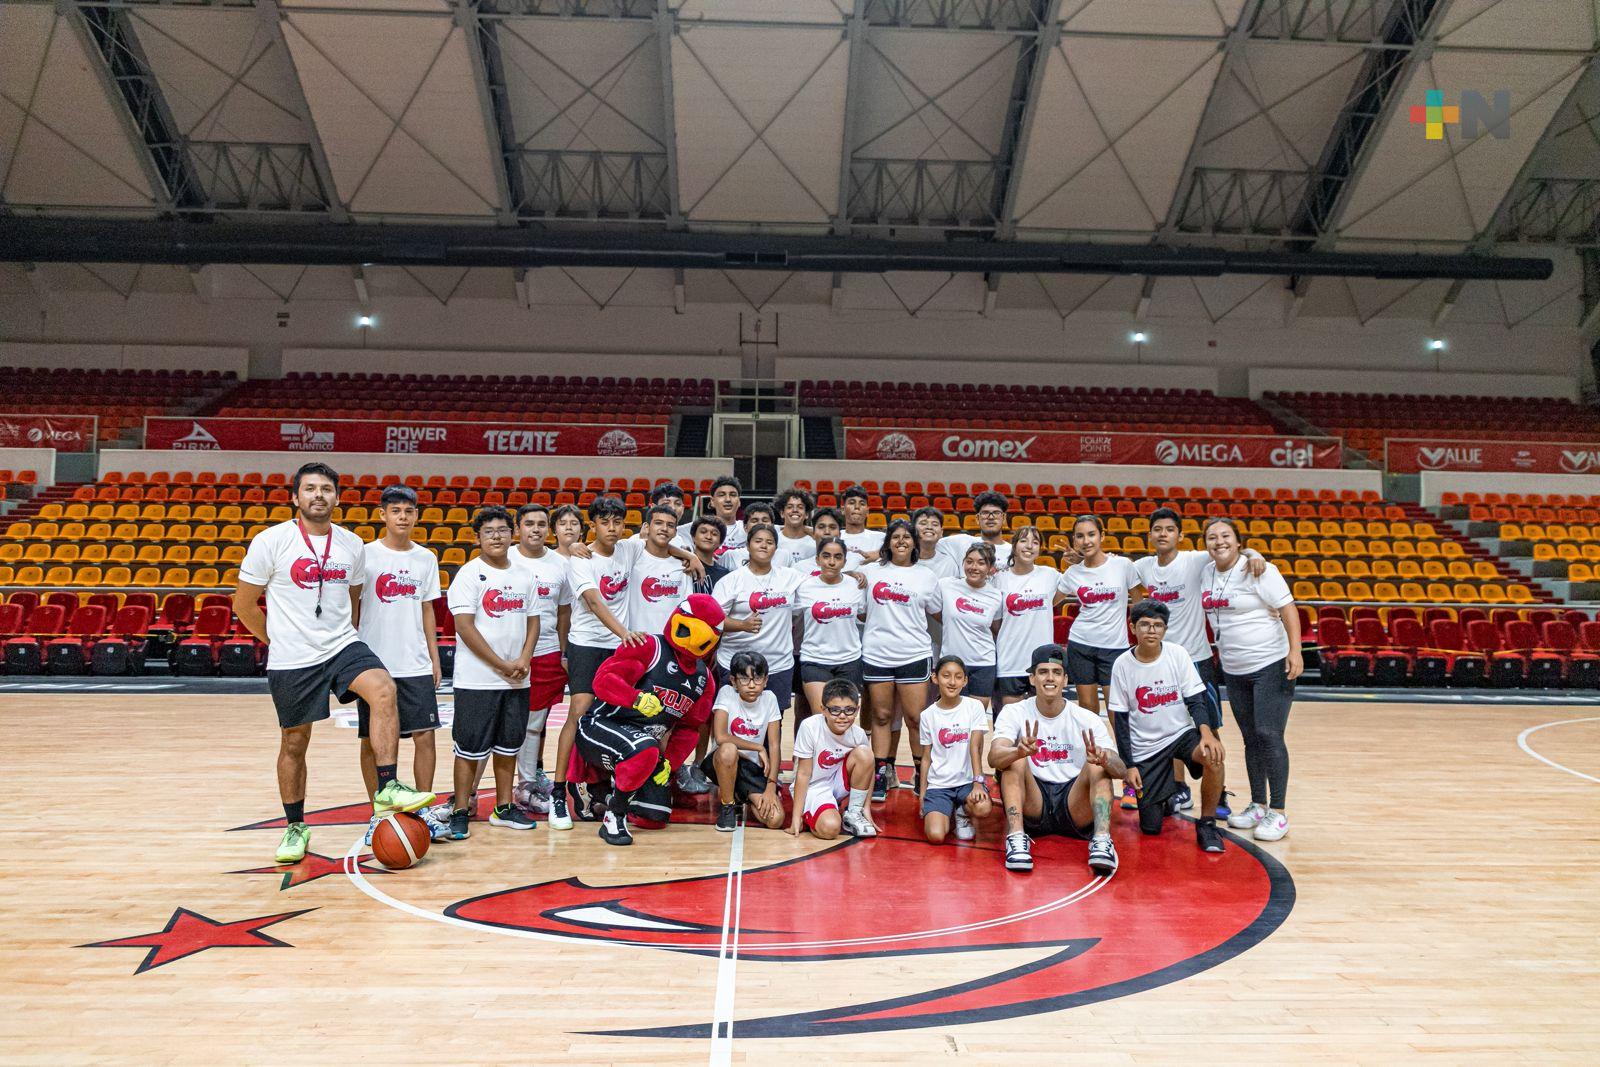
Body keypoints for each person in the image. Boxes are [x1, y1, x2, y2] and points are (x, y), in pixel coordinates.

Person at [234, 462, 434, 864]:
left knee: (383, 688)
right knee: (294, 741)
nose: (318, 495)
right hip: (293, 656)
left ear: (337, 498)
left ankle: (388, 786)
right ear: (295, 497)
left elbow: (354, 595)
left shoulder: (351, 544)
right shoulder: (270, 541)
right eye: (310, 489)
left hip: (342, 644)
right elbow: (243, 605)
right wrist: (278, 640)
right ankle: (295, 826)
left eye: (326, 488)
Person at [1134, 507, 1263, 811]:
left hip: (1197, 660)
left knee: (1210, 727)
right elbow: (1109, 567)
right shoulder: (1142, 567)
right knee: (1168, 727)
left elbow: (1229, 550)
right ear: (1150, 535)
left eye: (1169, 529)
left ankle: (1218, 793)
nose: (1162, 534)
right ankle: (1179, 788)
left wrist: (1255, 553)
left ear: (1180, 535)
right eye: (1157, 529)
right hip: (1161, 662)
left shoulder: (1194, 560)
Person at [571, 594, 726, 846]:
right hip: (599, 726)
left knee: (655, 816)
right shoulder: (648, 646)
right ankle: (614, 813)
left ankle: (614, 791)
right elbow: (602, 682)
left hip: (645, 746)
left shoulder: (704, 679)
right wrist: (635, 698)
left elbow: (689, 728)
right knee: (644, 748)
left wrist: (671, 763)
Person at [353, 485, 448, 843]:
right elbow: (354, 607)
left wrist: (434, 656)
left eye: (409, 511)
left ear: (416, 516)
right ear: (382, 515)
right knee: (369, 741)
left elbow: (427, 609)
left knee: (425, 736)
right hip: (373, 662)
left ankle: (423, 811)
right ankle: (378, 812)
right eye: (396, 511)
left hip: (415, 662)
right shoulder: (365, 556)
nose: (403, 517)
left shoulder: (425, 558)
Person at [1201, 516, 1301, 842]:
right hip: (1233, 667)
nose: (1219, 542)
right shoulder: (1206, 571)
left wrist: (1295, 651)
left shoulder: (1259, 569)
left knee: (1269, 734)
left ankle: (1279, 811)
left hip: (1270, 662)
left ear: (1239, 541)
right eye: (1212, 537)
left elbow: (1288, 609)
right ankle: (1258, 804)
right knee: (1250, 737)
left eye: (1226, 535)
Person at [550, 496, 646, 829]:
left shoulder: (629, 549)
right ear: (594, 524)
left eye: (618, 522)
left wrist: (687, 554)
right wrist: (624, 633)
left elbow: (658, 538)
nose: (612, 528)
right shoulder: (581, 559)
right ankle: (557, 793)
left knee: (614, 717)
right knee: (578, 712)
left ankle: (600, 787)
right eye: (605, 522)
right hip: (588, 645)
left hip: (618, 647)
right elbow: (592, 601)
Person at [445, 506, 539, 839]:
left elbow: (533, 621)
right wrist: (502, 665)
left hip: (517, 678)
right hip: (477, 680)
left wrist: (524, 659)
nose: (496, 536)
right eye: (489, 531)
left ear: (512, 533)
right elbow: (465, 628)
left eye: (502, 530)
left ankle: (503, 808)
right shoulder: (469, 574)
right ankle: (459, 809)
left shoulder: (525, 575)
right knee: (469, 747)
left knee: (508, 746)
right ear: (478, 538)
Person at [989, 644, 1123, 876]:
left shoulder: (1087, 718)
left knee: (1098, 764)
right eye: (1043, 672)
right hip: (1035, 801)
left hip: (1074, 802)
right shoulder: (1014, 712)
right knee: (1014, 759)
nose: (1050, 678)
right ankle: (1016, 837)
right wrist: (1017, 752)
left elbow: (1120, 770)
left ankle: (1101, 839)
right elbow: (994, 757)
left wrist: (1104, 759)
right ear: (1032, 678)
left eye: (1056, 672)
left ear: (1065, 679)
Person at [1107, 601, 1227, 853]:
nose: (1152, 630)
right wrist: (1129, 765)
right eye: (1145, 625)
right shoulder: (1121, 665)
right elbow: (1121, 721)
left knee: (1214, 757)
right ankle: (1165, 794)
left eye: (1158, 625)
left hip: (1180, 734)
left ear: (1165, 629)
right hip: (1146, 747)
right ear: (1133, 627)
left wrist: (1206, 733)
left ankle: (1207, 824)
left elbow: (1196, 699)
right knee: (1151, 827)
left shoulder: (1178, 654)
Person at [860, 518, 940, 801]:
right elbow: (852, 599)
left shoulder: (926, 576)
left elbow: (939, 613)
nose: (902, 541)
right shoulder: (869, 572)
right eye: (896, 537)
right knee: (881, 716)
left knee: (916, 718)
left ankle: (921, 773)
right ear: (888, 543)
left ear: (915, 544)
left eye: (907, 537)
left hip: (914, 653)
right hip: (877, 652)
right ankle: (882, 773)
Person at [508, 503, 571, 818]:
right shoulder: (502, 559)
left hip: (545, 652)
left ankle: (527, 785)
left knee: (534, 724)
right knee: (503, 723)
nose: (535, 529)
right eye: (529, 523)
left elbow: (563, 612)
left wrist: (563, 652)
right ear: (518, 527)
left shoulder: (560, 564)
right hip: (504, 653)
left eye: (541, 524)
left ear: (549, 529)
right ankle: (483, 789)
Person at [712, 524, 805, 716]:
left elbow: (822, 582)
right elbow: (712, 621)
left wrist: (853, 575)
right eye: (758, 541)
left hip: (778, 663)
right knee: (731, 721)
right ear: (747, 546)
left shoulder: (790, 577)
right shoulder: (731, 580)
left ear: (776, 548)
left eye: (770, 542)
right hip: (735, 662)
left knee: (773, 723)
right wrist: (741, 625)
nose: (764, 546)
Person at [1058, 514, 1144, 714]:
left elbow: (1138, 601)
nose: (1086, 541)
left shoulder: (1122, 565)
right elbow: (1050, 601)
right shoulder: (1072, 573)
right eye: (1080, 536)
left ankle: (1121, 747)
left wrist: (1139, 634)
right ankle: (1093, 747)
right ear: (1074, 541)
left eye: (1091, 534)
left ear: (1102, 536)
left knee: (1117, 709)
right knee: (1087, 708)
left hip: (1115, 647)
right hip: (1081, 644)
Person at [703, 650, 784, 832]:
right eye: (744, 679)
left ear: (766, 680)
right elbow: (721, 736)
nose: (752, 685)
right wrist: (757, 747)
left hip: (751, 769)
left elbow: (774, 745)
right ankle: (728, 805)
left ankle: (740, 794)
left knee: (775, 819)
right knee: (729, 749)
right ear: (733, 681)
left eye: (757, 679)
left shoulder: (770, 699)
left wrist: (771, 785)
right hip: (723, 761)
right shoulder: (726, 693)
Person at [787, 678, 878, 840]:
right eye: (835, 710)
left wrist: (867, 808)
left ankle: (854, 812)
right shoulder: (810, 727)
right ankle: (820, 812)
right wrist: (796, 817)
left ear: (857, 710)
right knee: (830, 828)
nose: (842, 716)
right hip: (814, 786)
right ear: (823, 709)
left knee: (865, 753)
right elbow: (803, 774)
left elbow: (869, 770)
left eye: (849, 710)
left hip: (838, 783)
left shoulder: (858, 734)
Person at [918, 656, 992, 844]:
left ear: (965, 681)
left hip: (967, 783)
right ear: (935, 678)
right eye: (946, 676)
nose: (952, 682)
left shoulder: (974, 707)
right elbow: (926, 758)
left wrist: (978, 783)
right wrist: (923, 793)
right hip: (939, 785)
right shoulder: (927, 715)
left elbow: (975, 748)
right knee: (935, 836)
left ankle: (962, 812)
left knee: (983, 807)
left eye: (958, 677)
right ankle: (946, 809)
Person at [795, 536, 866, 722]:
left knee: (844, 720)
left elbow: (864, 614)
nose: (831, 562)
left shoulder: (856, 585)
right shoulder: (803, 586)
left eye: (837, 557)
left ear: (844, 560)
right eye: (826, 556)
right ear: (818, 559)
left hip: (849, 660)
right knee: (823, 719)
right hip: (815, 659)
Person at [992, 525, 1058, 708]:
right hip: (1010, 661)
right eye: (1023, 541)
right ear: (1014, 546)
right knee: (1010, 725)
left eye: (1035, 542)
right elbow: (995, 623)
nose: (1029, 546)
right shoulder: (1000, 579)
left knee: (1042, 724)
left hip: (1042, 662)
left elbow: (1079, 578)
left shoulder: (1050, 575)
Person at [935, 543, 1003, 707]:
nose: (974, 567)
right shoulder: (946, 585)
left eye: (981, 562)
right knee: (951, 715)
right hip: (952, 662)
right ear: (963, 563)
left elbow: (997, 629)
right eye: (969, 561)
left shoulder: (996, 595)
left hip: (983, 663)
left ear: (990, 568)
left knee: (976, 718)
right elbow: (935, 611)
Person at [937, 490, 1013, 571]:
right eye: (985, 513)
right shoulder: (961, 542)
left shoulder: (1013, 552)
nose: (991, 517)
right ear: (977, 518)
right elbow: (929, 546)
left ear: (1004, 518)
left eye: (996, 513)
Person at [773, 487, 817, 570]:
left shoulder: (814, 543)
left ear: (806, 514)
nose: (795, 510)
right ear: (782, 513)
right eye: (790, 507)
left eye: (800, 507)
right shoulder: (774, 540)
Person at [688, 515, 730, 594]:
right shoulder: (684, 563)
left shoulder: (725, 574)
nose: (708, 537)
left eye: (714, 534)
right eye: (703, 532)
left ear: (720, 542)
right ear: (693, 537)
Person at [708, 475, 746, 556]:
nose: (728, 499)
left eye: (733, 495)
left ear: (739, 501)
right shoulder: (698, 528)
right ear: (712, 501)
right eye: (721, 495)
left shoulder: (749, 528)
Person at [838, 485, 879, 559]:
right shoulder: (834, 538)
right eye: (851, 503)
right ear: (842, 510)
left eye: (862, 504)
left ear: (867, 512)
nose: (857, 506)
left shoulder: (881, 538)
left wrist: (880, 554)